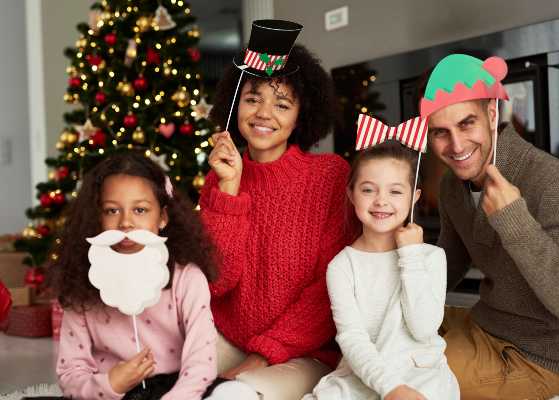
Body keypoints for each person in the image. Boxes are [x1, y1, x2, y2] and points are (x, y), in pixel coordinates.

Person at [421, 53, 559, 399]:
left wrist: (515, 223)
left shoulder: (554, 184)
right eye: (440, 132)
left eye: (466, 124)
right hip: (483, 323)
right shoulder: (450, 186)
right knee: (381, 341)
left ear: (491, 114)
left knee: (404, 376)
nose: (456, 146)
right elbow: (451, 261)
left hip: (533, 358)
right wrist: (400, 275)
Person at [200, 19, 353, 400]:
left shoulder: (330, 176)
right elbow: (216, 282)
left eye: (282, 103)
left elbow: (331, 288)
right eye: (252, 99)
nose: (264, 113)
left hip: (302, 352)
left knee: (228, 397)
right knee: (153, 376)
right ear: (235, 105)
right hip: (228, 337)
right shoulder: (218, 177)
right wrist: (230, 190)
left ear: (302, 114)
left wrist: (264, 353)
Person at [49, 152, 218, 399]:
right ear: (97, 217)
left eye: (140, 210)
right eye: (111, 210)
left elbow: (201, 362)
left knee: (236, 393)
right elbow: (70, 373)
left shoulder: (187, 279)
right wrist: (110, 385)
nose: (126, 222)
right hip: (112, 393)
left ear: (162, 217)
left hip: (180, 389)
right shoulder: (82, 284)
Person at [304, 139, 459, 400]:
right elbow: (353, 339)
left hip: (419, 373)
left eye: (395, 192)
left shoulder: (431, 258)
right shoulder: (342, 267)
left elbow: (423, 329)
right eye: (368, 190)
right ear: (351, 193)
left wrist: (411, 256)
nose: (381, 201)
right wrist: (390, 388)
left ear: (414, 197)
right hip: (365, 372)